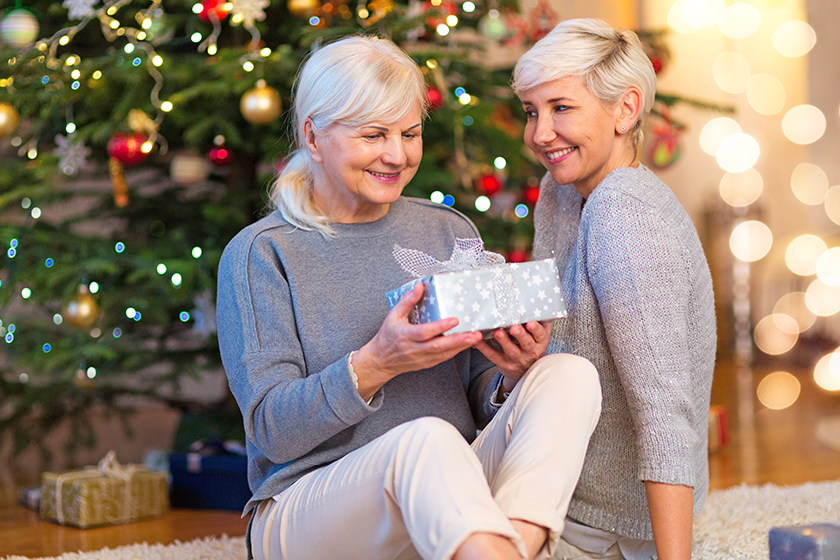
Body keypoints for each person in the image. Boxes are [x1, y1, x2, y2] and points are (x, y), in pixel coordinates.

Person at [216, 34, 602, 560]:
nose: (396, 155)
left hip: (446, 493)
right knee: (427, 439)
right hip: (305, 512)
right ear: (313, 136)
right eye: (373, 135)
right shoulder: (262, 253)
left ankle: (506, 550)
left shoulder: (447, 229)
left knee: (569, 373)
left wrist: (511, 375)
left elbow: (475, 395)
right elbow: (271, 432)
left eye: (410, 134)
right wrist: (376, 363)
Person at [512, 18, 717, 560]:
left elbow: (665, 410)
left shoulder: (625, 213)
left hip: (604, 523)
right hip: (562, 487)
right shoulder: (560, 193)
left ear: (625, 110)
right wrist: (518, 366)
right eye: (531, 112)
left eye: (561, 108)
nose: (540, 134)